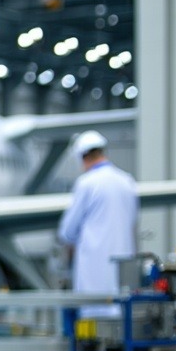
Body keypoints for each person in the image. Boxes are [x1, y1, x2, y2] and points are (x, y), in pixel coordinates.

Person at [57, 130, 139, 318]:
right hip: (124, 264)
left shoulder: (87, 183)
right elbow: (133, 219)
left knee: (95, 319)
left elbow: (67, 231)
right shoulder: (126, 181)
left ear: (83, 157)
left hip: (94, 266)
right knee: (121, 316)